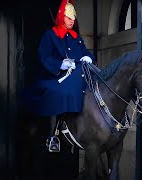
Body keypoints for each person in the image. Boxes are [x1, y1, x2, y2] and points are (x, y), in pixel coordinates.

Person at [23, 0, 94, 151]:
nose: (72, 20)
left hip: (78, 74)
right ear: (62, 17)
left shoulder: (76, 37)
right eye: (69, 18)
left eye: (73, 18)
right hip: (56, 76)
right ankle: (54, 133)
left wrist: (88, 57)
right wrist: (60, 64)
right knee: (60, 92)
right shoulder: (51, 35)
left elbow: (85, 52)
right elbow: (44, 56)